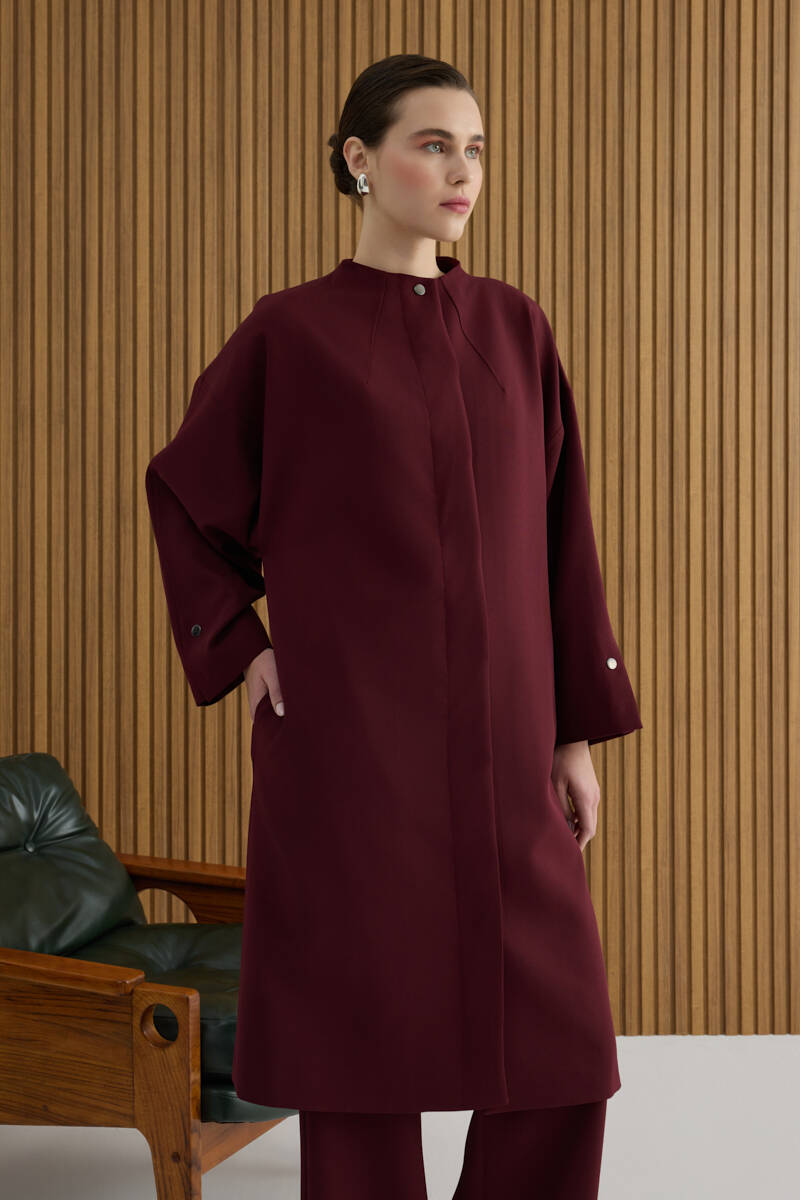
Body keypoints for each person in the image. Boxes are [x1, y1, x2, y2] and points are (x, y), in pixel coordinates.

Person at [145, 52, 642, 1200]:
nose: (461, 170)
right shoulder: (289, 336)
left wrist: (571, 734)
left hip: (506, 748)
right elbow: (183, 495)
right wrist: (241, 645)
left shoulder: (514, 329)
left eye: (474, 148)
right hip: (351, 753)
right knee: (357, 1050)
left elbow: (562, 544)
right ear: (359, 160)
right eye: (433, 144)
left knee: (561, 1054)